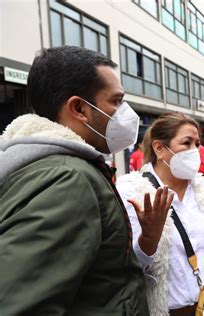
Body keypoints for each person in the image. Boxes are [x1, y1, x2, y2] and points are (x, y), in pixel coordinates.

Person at [0, 46, 150, 314]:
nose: (125, 113)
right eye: (115, 101)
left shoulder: (63, 169)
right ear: (79, 108)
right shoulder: (68, 179)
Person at [116, 112, 204, 315]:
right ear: (159, 148)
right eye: (187, 143)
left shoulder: (200, 187)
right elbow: (128, 267)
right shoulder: (133, 191)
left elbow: (203, 231)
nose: (195, 150)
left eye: (197, 143)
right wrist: (149, 237)